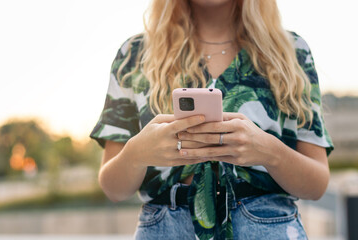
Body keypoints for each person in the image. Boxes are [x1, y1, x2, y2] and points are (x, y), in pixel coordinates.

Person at [90, 0, 334, 239]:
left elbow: (316, 185)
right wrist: (136, 154)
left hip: (267, 225)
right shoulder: (134, 55)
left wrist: (269, 151)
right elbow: (113, 189)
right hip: (164, 227)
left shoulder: (291, 50)